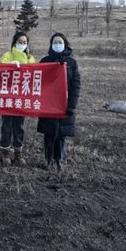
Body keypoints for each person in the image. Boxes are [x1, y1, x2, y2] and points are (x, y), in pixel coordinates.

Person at [37, 33, 81, 171]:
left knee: (61, 135)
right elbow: (39, 82)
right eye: (55, 42)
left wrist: (71, 105)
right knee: (49, 134)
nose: (58, 45)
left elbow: (76, 85)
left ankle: (59, 160)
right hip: (48, 105)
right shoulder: (45, 61)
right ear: (51, 45)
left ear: (65, 44)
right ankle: (48, 160)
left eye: (60, 42)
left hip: (64, 105)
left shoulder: (72, 63)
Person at [0, 31, 36, 166]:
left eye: (24, 42)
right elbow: (0, 70)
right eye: (19, 42)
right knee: (6, 126)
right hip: (8, 97)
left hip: (21, 98)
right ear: (14, 42)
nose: (22, 44)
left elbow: (33, 72)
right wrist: (9, 66)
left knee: (19, 126)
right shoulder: (7, 56)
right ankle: (5, 152)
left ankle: (18, 152)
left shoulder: (30, 58)